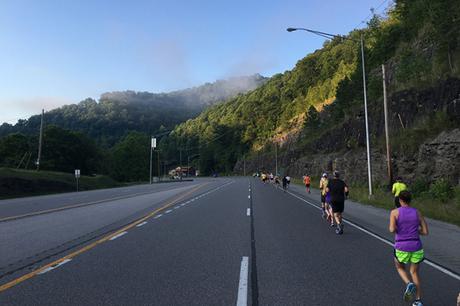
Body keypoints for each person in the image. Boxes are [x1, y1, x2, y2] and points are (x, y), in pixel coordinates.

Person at [389, 190, 428, 306]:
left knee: (400, 267)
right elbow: (425, 232)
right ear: (410, 200)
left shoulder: (395, 212)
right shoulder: (417, 212)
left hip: (402, 246)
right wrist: (415, 231)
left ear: (400, 200)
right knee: (414, 272)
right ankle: (418, 301)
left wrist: (399, 228)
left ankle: (408, 283)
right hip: (416, 246)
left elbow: (391, 229)